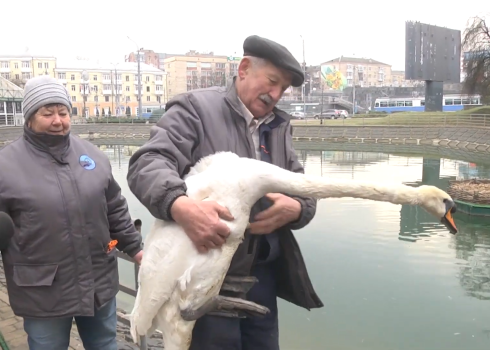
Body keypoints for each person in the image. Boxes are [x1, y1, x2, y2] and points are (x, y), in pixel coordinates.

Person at [127, 35, 323, 350]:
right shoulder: (195, 109)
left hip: (261, 278)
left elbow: (302, 183)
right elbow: (148, 164)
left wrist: (299, 208)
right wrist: (181, 206)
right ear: (244, 68)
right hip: (204, 281)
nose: (276, 94)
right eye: (272, 82)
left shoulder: (277, 127)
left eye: (283, 89)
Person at [0, 75, 144, 350]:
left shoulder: (93, 156)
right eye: (48, 113)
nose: (58, 120)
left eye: (63, 112)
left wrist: (136, 248)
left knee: (105, 344)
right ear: (29, 117)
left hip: (97, 281)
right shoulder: (5, 165)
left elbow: (114, 208)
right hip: (42, 290)